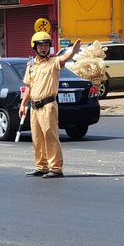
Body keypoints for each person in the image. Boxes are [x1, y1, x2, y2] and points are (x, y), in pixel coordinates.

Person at [20, 31, 82, 179]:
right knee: (37, 139)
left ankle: (56, 168)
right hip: (34, 107)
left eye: (46, 45)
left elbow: (64, 58)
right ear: (35, 47)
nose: (43, 48)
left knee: (50, 137)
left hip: (48, 106)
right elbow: (29, 86)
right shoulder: (31, 65)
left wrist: (73, 52)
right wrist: (23, 105)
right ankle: (41, 167)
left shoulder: (54, 62)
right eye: (40, 45)